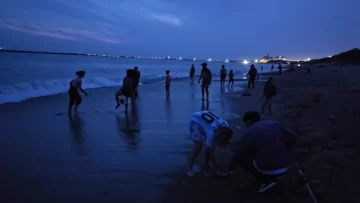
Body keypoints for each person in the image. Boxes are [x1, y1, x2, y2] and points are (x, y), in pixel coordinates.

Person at [226, 111, 298, 193]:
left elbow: (238, 153)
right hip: (286, 165)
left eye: (245, 123)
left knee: (243, 158)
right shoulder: (274, 123)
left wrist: (230, 168)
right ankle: (271, 178)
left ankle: (265, 181)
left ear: (249, 121)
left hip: (269, 168)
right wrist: (288, 150)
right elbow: (294, 137)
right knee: (260, 150)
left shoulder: (251, 132)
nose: (245, 126)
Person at [187, 110, 234, 176]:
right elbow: (211, 151)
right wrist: (216, 170)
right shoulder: (211, 133)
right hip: (195, 120)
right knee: (199, 145)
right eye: (218, 138)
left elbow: (224, 139)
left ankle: (207, 163)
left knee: (210, 144)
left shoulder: (225, 125)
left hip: (204, 116)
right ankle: (189, 169)